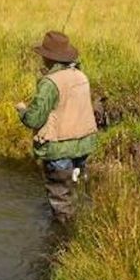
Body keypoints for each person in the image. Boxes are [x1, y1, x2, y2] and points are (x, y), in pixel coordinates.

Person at [15, 31, 98, 223]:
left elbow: (34, 120)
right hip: (83, 146)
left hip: (59, 148)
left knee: (60, 199)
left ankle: (62, 240)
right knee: (76, 191)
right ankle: (82, 228)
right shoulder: (81, 76)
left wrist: (22, 111)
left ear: (48, 57)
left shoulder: (50, 83)